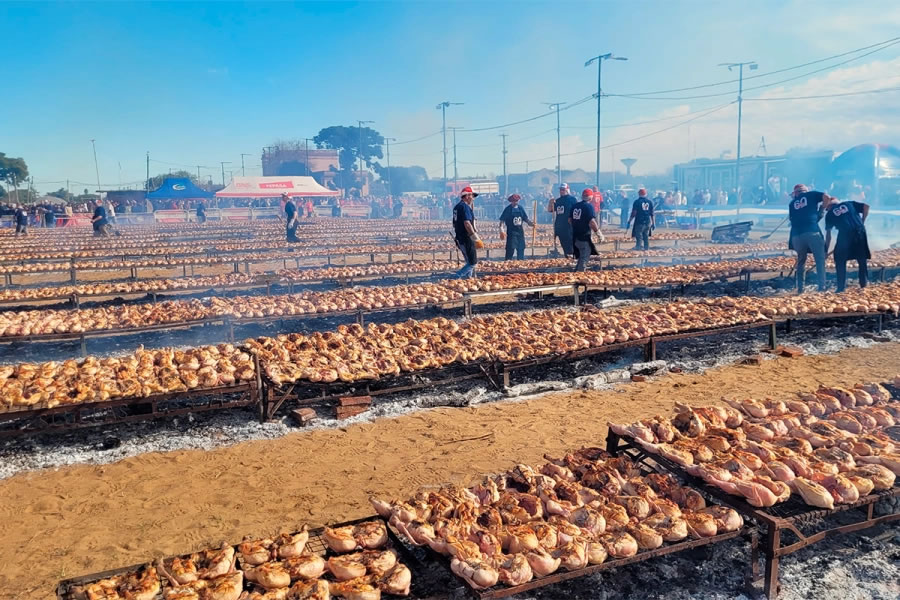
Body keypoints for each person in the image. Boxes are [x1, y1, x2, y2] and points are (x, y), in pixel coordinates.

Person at [788, 183, 831, 294]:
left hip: (797, 236)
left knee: (801, 261)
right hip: (812, 233)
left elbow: (793, 219)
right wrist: (822, 208)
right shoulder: (812, 194)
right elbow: (827, 197)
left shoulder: (792, 203)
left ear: (796, 193)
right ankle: (822, 287)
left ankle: (800, 289)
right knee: (820, 260)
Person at [825, 198, 870, 292]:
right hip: (860, 232)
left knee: (839, 258)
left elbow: (828, 235)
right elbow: (866, 207)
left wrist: (826, 250)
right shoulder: (849, 203)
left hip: (845, 235)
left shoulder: (829, 214)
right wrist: (862, 221)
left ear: (829, 206)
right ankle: (864, 284)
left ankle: (841, 288)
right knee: (861, 258)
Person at [452, 186, 483, 278]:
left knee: (468, 261)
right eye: (472, 196)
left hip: (459, 237)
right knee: (473, 262)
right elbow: (467, 223)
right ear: (467, 196)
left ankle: (469, 278)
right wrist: (475, 237)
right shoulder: (465, 207)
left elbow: (454, 224)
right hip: (467, 238)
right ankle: (457, 276)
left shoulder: (457, 207)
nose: (473, 199)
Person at [570, 189, 604, 271]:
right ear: (590, 197)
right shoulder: (588, 207)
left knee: (581, 256)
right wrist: (599, 233)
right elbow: (592, 222)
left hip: (575, 235)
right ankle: (580, 273)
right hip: (584, 235)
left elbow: (569, 220)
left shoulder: (575, 206)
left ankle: (577, 271)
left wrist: (576, 225)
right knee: (585, 255)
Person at [498, 193, 534, 260]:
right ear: (511, 201)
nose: (515, 202)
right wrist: (501, 230)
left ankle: (520, 261)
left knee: (521, 247)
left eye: (516, 201)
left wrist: (530, 223)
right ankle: (508, 261)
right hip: (512, 232)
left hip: (520, 231)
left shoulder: (520, 208)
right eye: (514, 201)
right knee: (510, 248)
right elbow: (502, 220)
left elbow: (525, 218)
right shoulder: (508, 209)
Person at [549, 183, 577, 257]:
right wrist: (550, 202)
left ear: (567, 190)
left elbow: (576, 211)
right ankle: (567, 256)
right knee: (563, 242)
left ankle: (572, 256)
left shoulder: (572, 199)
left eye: (563, 190)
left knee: (570, 242)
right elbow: (550, 210)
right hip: (559, 225)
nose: (561, 191)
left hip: (569, 225)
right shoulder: (558, 200)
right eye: (561, 190)